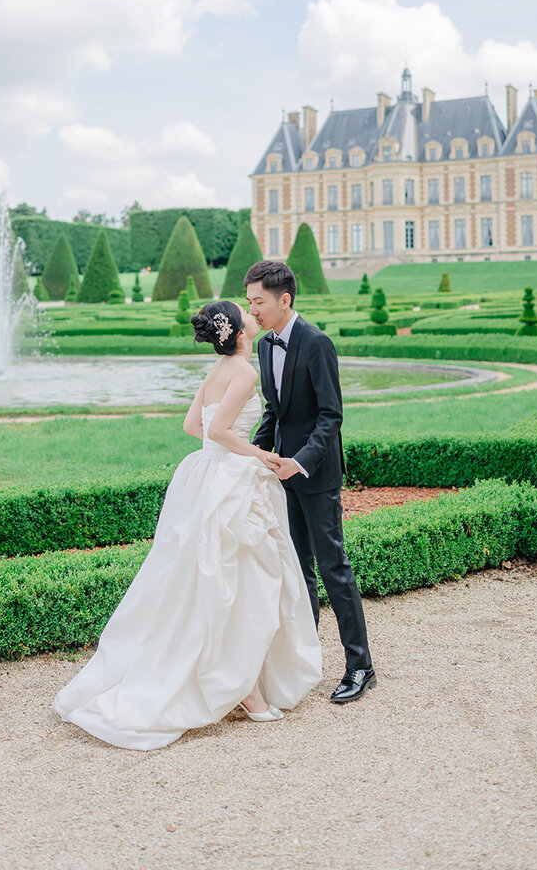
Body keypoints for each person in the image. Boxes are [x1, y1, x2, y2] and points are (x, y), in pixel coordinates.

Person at [52, 299, 322, 750]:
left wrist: (232, 447)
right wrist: (261, 455)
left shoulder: (215, 373)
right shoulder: (245, 372)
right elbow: (218, 431)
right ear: (238, 332)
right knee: (242, 587)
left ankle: (242, 685)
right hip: (230, 483)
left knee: (216, 584)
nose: (253, 314)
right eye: (246, 312)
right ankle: (245, 693)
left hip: (204, 475)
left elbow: (191, 426)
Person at [244, 260, 375, 703]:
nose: (253, 311)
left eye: (258, 302)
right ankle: (307, 660)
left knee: (333, 568)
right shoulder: (264, 345)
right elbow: (273, 412)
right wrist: (253, 455)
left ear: (285, 299)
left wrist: (299, 462)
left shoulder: (317, 343)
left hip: (315, 475)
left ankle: (361, 666)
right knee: (298, 574)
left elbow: (330, 416)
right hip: (281, 473)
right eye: (249, 303)